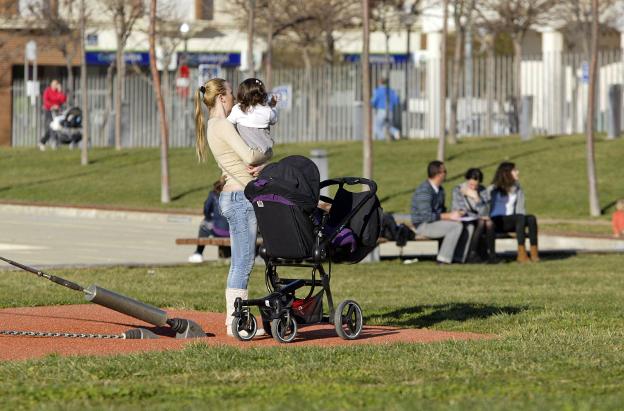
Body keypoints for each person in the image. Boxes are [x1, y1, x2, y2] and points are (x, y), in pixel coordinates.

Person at [194, 78, 273, 337]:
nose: (235, 99)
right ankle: (235, 322)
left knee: (240, 261)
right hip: (240, 199)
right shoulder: (223, 125)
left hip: (233, 196)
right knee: (243, 262)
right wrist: (269, 152)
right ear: (221, 98)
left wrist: (258, 165)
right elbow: (251, 155)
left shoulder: (214, 126)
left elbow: (234, 162)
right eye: (230, 93)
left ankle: (235, 319)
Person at [411, 161, 472, 264]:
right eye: (445, 171)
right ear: (438, 174)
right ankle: (443, 259)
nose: (446, 173)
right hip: (423, 225)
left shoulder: (440, 190)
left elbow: (441, 211)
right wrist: (449, 216)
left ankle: (458, 258)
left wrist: (457, 214)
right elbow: (426, 217)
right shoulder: (424, 191)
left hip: (435, 222)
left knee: (468, 226)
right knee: (456, 227)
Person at [489, 162, 539, 263]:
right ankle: (521, 255)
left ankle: (534, 253)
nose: (518, 172)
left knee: (531, 218)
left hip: (514, 220)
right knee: (519, 217)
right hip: (497, 221)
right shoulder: (494, 188)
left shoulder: (517, 188)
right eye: (515, 170)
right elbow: (484, 201)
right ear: (507, 173)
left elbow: (520, 208)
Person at [452, 168, 497, 263]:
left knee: (489, 223)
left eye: (476, 185)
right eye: (471, 184)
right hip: (464, 218)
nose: (473, 187)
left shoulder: (482, 190)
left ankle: (492, 254)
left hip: (479, 218)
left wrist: (476, 198)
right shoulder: (458, 190)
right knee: (481, 222)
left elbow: (486, 211)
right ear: (467, 180)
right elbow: (460, 210)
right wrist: (479, 215)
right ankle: (472, 254)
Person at [227, 78, 277, 155]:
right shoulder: (267, 111)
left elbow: (228, 123)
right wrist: (273, 106)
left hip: (244, 149)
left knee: (239, 127)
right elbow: (274, 120)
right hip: (264, 151)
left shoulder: (237, 109)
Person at [188, 176, 230, 263]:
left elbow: (206, 210)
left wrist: (210, 218)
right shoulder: (238, 193)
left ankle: (198, 253)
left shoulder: (214, 194)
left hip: (219, 231)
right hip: (234, 232)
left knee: (204, 224)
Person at [39, 79, 67, 151]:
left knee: (56, 126)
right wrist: (52, 106)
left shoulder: (58, 92)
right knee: (52, 126)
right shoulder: (47, 91)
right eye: (53, 84)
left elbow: (63, 100)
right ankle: (54, 142)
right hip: (48, 110)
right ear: (51, 85)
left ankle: (43, 142)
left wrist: (60, 91)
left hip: (57, 111)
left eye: (56, 84)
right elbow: (45, 101)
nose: (55, 86)